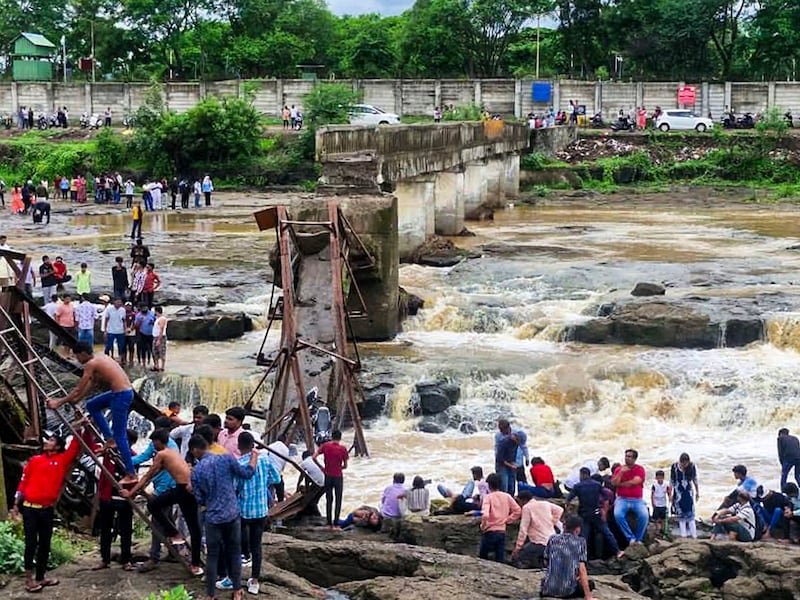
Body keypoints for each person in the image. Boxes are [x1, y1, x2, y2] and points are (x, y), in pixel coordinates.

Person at [46, 343, 138, 484]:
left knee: (120, 436)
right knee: (92, 405)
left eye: (77, 356)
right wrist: (76, 399)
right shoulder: (101, 358)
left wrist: (58, 402)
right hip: (122, 393)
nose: (77, 359)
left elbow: (78, 388)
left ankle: (131, 474)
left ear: (83, 353)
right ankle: (109, 439)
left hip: (120, 396)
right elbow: (91, 385)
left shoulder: (91, 363)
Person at [12, 425, 84, 592]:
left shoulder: (61, 460)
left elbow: (75, 446)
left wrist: (79, 427)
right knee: (31, 543)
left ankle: (41, 577)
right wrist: (16, 504)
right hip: (30, 508)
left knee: (45, 543)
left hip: (46, 509)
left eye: (51, 440)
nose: (47, 442)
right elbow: (23, 482)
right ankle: (28, 579)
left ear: (58, 446)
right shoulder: (34, 460)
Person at [122, 429, 203, 576]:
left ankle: (176, 536)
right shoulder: (172, 451)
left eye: (154, 442)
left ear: (159, 441)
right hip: (185, 488)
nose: (153, 445)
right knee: (194, 528)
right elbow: (155, 474)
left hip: (183, 489)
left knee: (154, 505)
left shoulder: (162, 454)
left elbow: (148, 475)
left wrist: (131, 492)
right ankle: (194, 562)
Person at [190, 434, 258, 600]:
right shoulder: (226, 459)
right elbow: (247, 473)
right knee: (234, 552)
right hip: (232, 513)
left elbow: (199, 498)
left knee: (212, 555)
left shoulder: (196, 471)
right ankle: (237, 591)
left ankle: (211, 595)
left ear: (195, 450)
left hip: (213, 517)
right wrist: (254, 456)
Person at [233, 432, 272, 595]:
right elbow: (275, 479)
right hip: (261, 509)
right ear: (253, 444)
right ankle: (255, 581)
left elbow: (235, 487)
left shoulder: (239, 463)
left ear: (238, 446)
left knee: (236, 543)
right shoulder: (265, 459)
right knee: (257, 545)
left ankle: (233, 578)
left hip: (244, 510)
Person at [94, 429, 138, 572]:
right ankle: (105, 559)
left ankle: (126, 559)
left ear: (130, 443)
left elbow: (134, 478)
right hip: (107, 496)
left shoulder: (133, 457)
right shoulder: (109, 453)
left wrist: (131, 493)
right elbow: (94, 450)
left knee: (125, 530)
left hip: (125, 498)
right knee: (105, 528)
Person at [565, 467, 622, 559]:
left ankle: (580, 557)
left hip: (584, 515)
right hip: (597, 513)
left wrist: (568, 512)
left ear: (582, 475)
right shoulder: (597, 485)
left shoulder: (578, 486)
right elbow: (606, 498)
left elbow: (568, 500)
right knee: (607, 533)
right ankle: (617, 551)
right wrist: (604, 512)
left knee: (584, 536)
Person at [540, 515, 596, 600]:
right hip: (567, 591)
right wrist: (588, 596)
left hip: (548, 589)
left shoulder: (552, 539)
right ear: (577, 529)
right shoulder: (580, 542)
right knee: (591, 584)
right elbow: (582, 569)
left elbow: (546, 562)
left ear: (564, 526)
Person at [512, 490, 564, 569]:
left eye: (519, 502)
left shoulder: (527, 508)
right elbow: (560, 509)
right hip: (553, 541)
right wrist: (553, 521)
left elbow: (523, 529)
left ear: (524, 500)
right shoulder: (544, 503)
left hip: (539, 542)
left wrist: (517, 548)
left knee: (519, 558)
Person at [479, 472, 521, 563]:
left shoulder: (488, 497)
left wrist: (483, 526)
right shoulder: (507, 496)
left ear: (489, 485)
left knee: (482, 557)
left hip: (489, 531)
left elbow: (485, 515)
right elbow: (518, 510)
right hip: (502, 530)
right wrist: (507, 520)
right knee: (500, 557)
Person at [611, 448, 649, 545]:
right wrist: (621, 473)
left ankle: (638, 539)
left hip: (637, 500)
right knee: (618, 514)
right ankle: (630, 538)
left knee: (644, 515)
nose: (627, 458)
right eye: (626, 456)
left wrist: (621, 484)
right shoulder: (619, 469)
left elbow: (635, 481)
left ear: (634, 459)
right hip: (622, 499)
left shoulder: (639, 469)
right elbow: (614, 483)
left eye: (629, 457)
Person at [313, 429, 349, 529]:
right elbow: (345, 465)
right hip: (338, 476)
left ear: (331, 437)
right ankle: (336, 523)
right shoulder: (343, 449)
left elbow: (314, 457)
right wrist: (339, 467)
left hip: (327, 475)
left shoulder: (325, 446)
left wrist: (321, 467)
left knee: (329, 499)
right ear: (340, 438)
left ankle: (329, 523)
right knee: (338, 500)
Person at [670, 452, 699, 538]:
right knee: (680, 513)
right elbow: (671, 480)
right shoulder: (674, 467)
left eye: (686, 463)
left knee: (690, 512)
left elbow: (695, 479)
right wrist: (670, 493)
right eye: (683, 463)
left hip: (688, 491)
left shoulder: (692, 466)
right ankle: (683, 535)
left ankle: (694, 535)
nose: (684, 465)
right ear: (680, 461)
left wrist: (697, 492)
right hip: (678, 492)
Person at [494, 419, 518, 495]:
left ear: (507, 428)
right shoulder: (502, 441)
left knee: (511, 486)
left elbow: (522, 444)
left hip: (511, 462)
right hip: (502, 464)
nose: (500, 431)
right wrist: (511, 465)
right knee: (504, 486)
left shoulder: (516, 435)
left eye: (501, 430)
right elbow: (499, 458)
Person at [102, 296, 127, 363]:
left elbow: (124, 320)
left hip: (120, 331)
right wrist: (105, 330)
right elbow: (106, 320)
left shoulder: (123, 310)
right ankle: (105, 358)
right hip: (111, 330)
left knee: (121, 346)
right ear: (114, 302)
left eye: (120, 302)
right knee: (108, 345)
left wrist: (125, 329)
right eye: (118, 302)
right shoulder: (109, 309)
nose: (119, 303)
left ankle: (120, 359)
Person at [135, 303, 155, 368]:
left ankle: (155, 363)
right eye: (143, 308)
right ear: (140, 309)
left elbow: (157, 322)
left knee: (153, 349)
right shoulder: (138, 315)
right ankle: (143, 364)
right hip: (142, 334)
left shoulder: (152, 313)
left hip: (151, 334)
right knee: (143, 349)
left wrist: (153, 322)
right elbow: (136, 326)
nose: (144, 309)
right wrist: (140, 321)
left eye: (145, 307)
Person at [651, 470, 671, 534]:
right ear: (656, 478)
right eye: (658, 477)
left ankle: (662, 528)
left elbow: (668, 492)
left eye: (661, 477)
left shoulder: (666, 485)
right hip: (656, 504)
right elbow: (652, 495)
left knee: (663, 518)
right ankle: (657, 528)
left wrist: (670, 497)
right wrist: (653, 503)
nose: (660, 479)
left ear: (663, 477)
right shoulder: (654, 485)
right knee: (656, 518)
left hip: (663, 503)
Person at [152, 305, 168, 371]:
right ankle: (156, 365)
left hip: (160, 337)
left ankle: (162, 366)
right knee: (155, 351)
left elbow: (161, 329)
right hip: (155, 337)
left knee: (162, 351)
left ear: (157, 311)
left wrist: (159, 339)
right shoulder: (157, 319)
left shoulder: (162, 319)